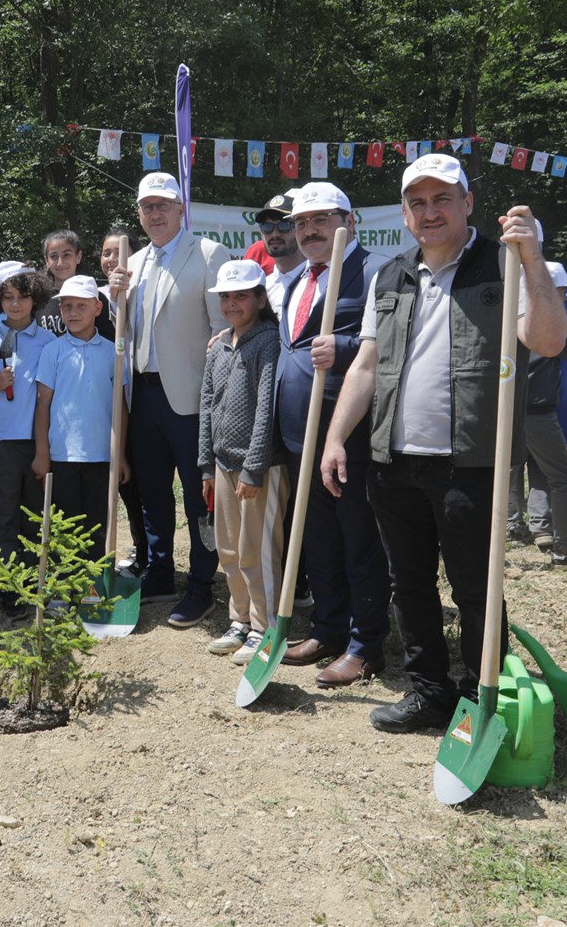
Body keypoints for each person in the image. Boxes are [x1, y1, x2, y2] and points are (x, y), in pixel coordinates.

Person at [320, 153, 567, 733]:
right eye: (418, 203)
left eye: (442, 200)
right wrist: (336, 437)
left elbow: (549, 341)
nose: (429, 212)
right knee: (408, 585)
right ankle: (429, 693)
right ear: (405, 214)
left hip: (471, 461)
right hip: (393, 461)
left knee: (476, 588)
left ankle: (485, 696)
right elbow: (366, 365)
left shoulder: (506, 264)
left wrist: (532, 259)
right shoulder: (391, 274)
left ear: (467, 204)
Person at [107, 171, 233, 626]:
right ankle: (160, 572)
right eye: (147, 207)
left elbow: (223, 329)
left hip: (193, 400)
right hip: (144, 396)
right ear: (139, 213)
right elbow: (127, 331)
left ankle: (201, 584)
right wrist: (115, 296)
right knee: (152, 491)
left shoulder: (208, 254)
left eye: (163, 205)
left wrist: (219, 396)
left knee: (200, 497)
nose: (155, 213)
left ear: (181, 209)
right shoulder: (134, 262)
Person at [280, 186, 391, 685]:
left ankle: (365, 644)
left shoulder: (375, 272)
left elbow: (393, 345)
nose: (309, 230)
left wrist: (344, 347)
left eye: (321, 219)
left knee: (357, 540)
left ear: (350, 220)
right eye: (301, 222)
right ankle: (327, 628)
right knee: (318, 538)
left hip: (350, 436)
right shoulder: (297, 279)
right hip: (299, 437)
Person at [198, 259, 281, 656]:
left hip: (256, 468)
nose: (231, 303)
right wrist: (205, 465)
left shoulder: (269, 342)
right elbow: (207, 404)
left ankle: (265, 626)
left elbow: (266, 409)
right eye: (225, 296)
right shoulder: (219, 346)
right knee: (229, 549)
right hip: (222, 463)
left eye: (241, 296)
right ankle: (239, 619)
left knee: (256, 549)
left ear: (260, 300)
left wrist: (254, 467)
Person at [0, 265, 57, 617]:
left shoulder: (49, 342)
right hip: (1, 442)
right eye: (7, 297)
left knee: (35, 515)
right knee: (4, 514)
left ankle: (35, 580)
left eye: (22, 297)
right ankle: (9, 585)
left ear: (35, 298)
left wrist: (44, 448)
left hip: (38, 442)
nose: (15, 304)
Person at [32, 276, 119, 562]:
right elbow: (42, 405)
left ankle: (92, 582)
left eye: (81, 306)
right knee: (64, 524)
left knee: (97, 525)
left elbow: (121, 407)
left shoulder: (113, 352)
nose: (73, 312)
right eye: (67, 306)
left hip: (101, 456)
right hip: (62, 456)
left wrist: (120, 455)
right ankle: (64, 581)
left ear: (97, 307)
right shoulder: (53, 351)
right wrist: (42, 454)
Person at [509, 262, 567, 562]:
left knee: (516, 467)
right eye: (563, 291)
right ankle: (565, 548)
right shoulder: (550, 326)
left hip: (510, 409)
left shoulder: (507, 317)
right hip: (538, 412)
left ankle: (519, 527)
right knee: (563, 477)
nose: (566, 297)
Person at [99, 230, 148, 574]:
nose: (112, 259)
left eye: (119, 252)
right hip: (102, 408)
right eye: (106, 252)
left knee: (135, 486)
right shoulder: (94, 298)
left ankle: (144, 551)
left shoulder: (142, 291)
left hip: (136, 403)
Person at [244, 193, 304, 313]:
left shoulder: (319, 282)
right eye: (267, 227)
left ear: (300, 227)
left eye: (284, 225)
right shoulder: (263, 291)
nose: (275, 234)